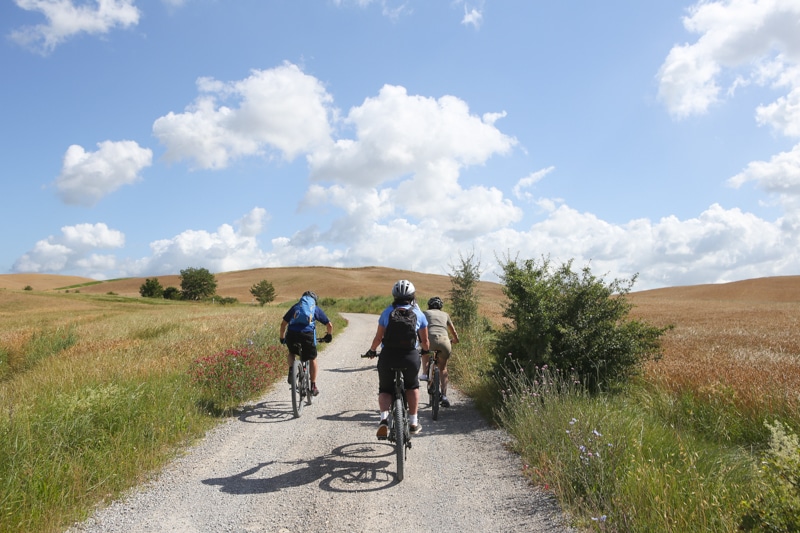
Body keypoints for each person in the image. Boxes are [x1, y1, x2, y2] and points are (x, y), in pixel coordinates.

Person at [364, 279, 429, 437]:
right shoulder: (418, 314)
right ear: (412, 296)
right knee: (412, 386)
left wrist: (372, 350)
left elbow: (378, 338)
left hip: (388, 356)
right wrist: (426, 352)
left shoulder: (387, 313)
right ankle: (413, 421)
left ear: (394, 296)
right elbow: (425, 341)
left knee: (385, 389)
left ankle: (384, 420)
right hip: (410, 357)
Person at [279, 290, 333, 396]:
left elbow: (283, 324)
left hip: (292, 335)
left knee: (291, 352)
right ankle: (313, 385)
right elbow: (329, 325)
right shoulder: (314, 308)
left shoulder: (295, 307)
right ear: (314, 300)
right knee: (312, 358)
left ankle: (291, 370)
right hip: (307, 336)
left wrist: (282, 338)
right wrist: (328, 336)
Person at [421, 296, 459, 407]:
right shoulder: (445, 315)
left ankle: (425, 374)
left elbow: (420, 327)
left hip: (430, 341)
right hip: (445, 342)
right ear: (441, 307)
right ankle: (444, 396)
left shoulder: (425, 313)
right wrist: (455, 340)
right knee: (443, 368)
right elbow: (453, 330)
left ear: (429, 305)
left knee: (425, 352)